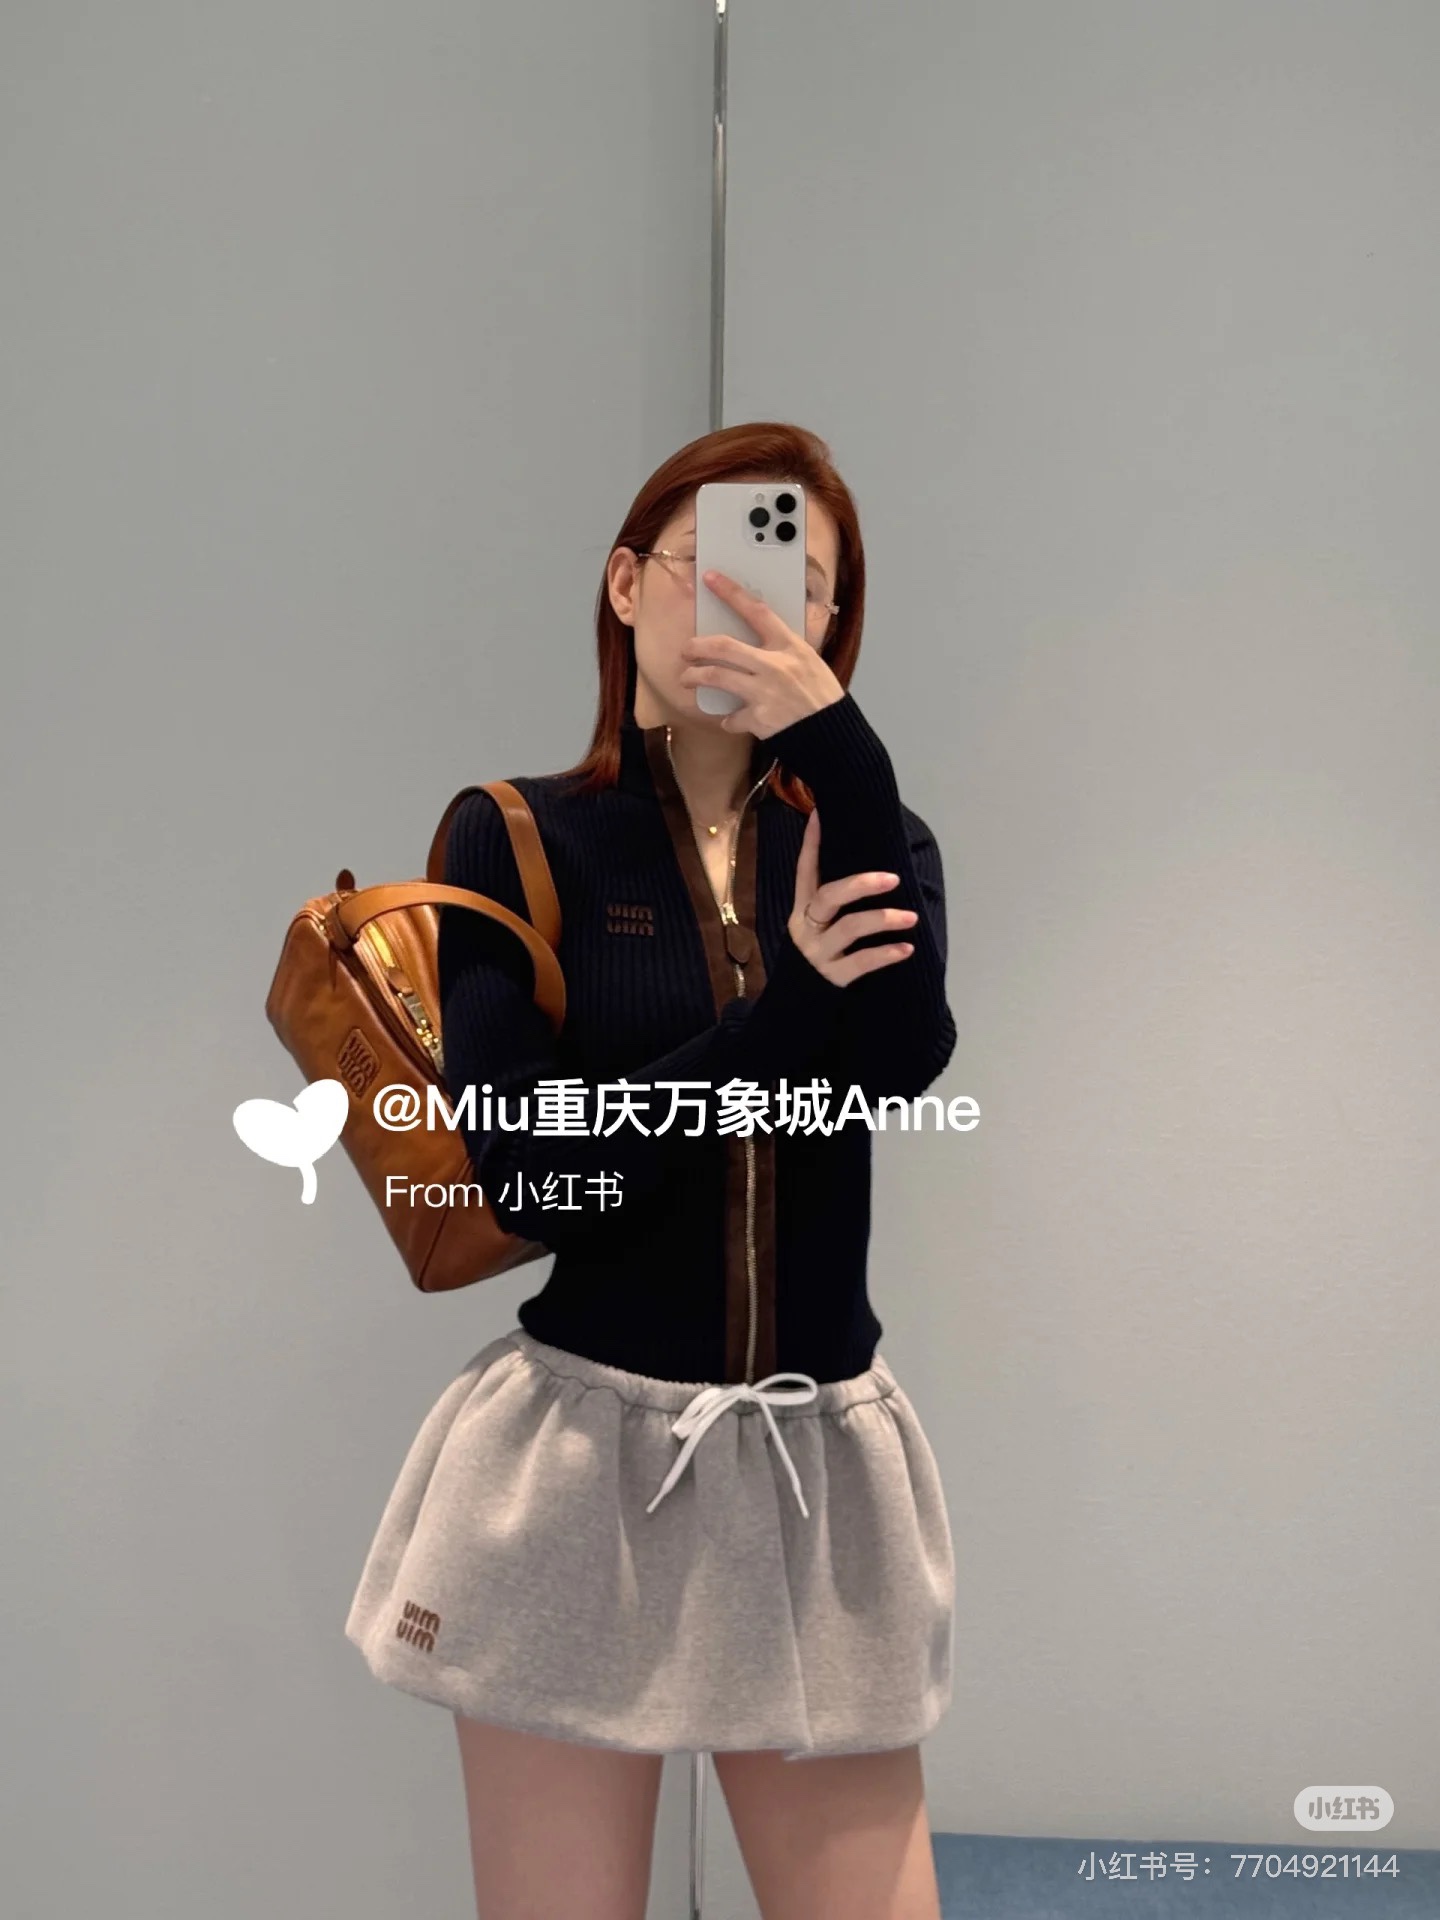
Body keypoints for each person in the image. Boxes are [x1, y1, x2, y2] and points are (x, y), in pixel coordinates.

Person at [344, 422, 959, 1919]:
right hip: (581, 1470)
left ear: (834, 627)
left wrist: (845, 755)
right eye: (714, 563)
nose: (748, 604)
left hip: (812, 1468)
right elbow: (541, 1175)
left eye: (796, 583)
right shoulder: (515, 838)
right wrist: (776, 1018)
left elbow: (899, 1060)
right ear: (626, 584)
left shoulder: (876, 832)